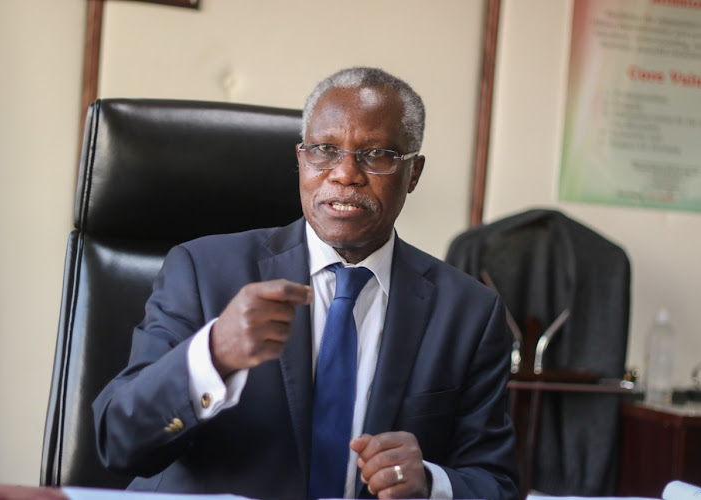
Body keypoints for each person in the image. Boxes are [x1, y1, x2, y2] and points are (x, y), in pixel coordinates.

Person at [93, 67, 518, 500]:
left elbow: (497, 483)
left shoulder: (469, 312)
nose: (345, 174)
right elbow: (120, 441)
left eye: (376, 155)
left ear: (413, 173)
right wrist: (214, 353)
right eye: (325, 150)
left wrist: (431, 482)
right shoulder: (201, 271)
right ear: (301, 159)